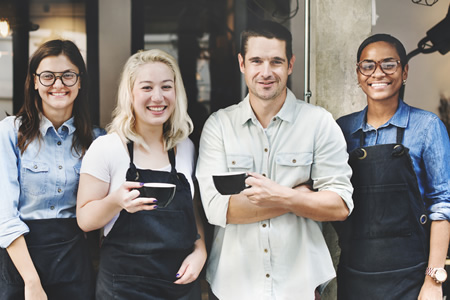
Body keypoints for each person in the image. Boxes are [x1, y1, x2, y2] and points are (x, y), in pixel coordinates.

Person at [195, 20, 354, 300]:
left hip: (301, 285)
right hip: (234, 285)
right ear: (242, 64)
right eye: (256, 61)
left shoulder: (319, 123)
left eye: (276, 62)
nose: (266, 72)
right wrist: (295, 197)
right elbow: (216, 209)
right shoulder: (218, 126)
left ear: (290, 64)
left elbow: (339, 205)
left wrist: (278, 196)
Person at [76, 49, 207, 300]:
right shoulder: (108, 148)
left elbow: (191, 207)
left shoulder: (185, 147)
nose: (158, 97)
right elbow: (84, 219)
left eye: (166, 87)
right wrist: (116, 201)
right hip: (124, 287)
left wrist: (200, 250)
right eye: (146, 87)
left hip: (179, 284)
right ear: (130, 94)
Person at [336, 33, 450, 300]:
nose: (378, 73)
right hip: (355, 275)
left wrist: (433, 280)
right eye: (368, 65)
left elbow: (442, 205)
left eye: (389, 64)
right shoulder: (342, 129)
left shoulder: (427, 127)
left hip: (413, 276)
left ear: (404, 71)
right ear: (358, 73)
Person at [0, 39, 102, 300]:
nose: (58, 84)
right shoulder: (10, 132)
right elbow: (5, 216)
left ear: (80, 81)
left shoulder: (98, 141)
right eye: (48, 76)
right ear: (35, 82)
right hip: (21, 265)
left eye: (68, 76)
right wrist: (32, 283)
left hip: (75, 265)